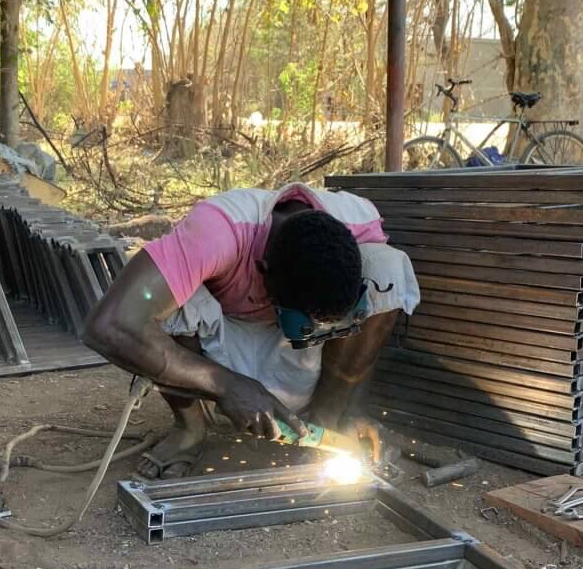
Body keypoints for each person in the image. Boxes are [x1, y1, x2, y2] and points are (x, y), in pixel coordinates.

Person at [83, 182, 419, 479]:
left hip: (300, 358)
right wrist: (226, 385)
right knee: (169, 295)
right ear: (264, 271)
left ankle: (326, 419)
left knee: (386, 267)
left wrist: (354, 407)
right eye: (305, 320)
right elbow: (108, 326)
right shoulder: (219, 231)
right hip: (223, 346)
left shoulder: (358, 222)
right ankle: (190, 429)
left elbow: (373, 315)